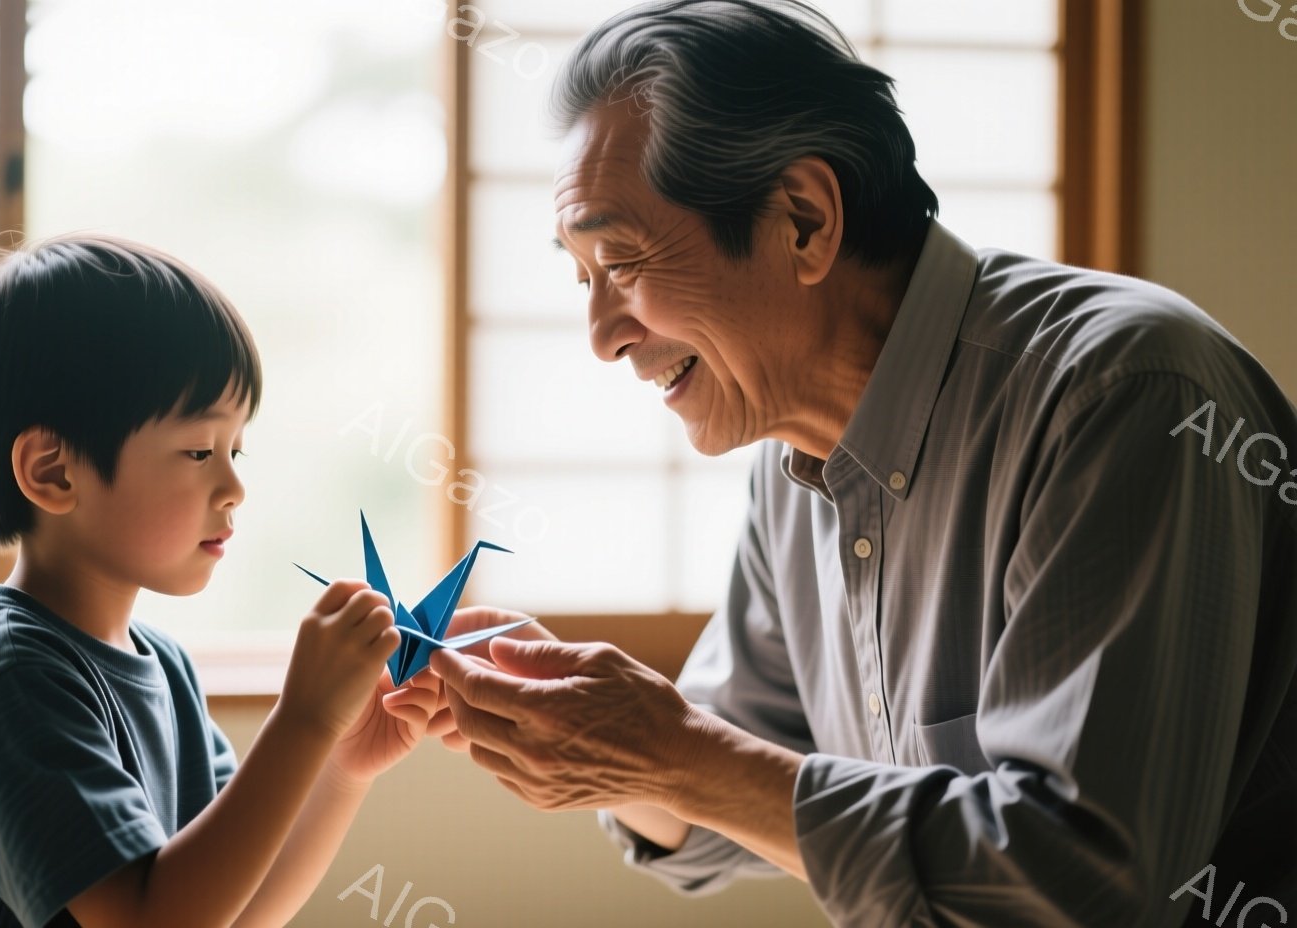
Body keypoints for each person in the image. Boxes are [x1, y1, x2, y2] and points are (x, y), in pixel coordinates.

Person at [429, 1, 1297, 925]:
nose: (602, 337)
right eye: (581, 278)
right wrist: (562, 724)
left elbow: (1077, 881)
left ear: (803, 218)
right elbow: (740, 783)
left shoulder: (1122, 393)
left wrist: (671, 754)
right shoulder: (793, 454)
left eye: (624, 262)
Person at [0, 234, 439, 928]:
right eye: (199, 450)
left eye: (237, 449)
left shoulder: (164, 665)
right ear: (53, 472)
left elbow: (236, 910)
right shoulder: (8, 676)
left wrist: (343, 769)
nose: (236, 485)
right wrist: (302, 719)